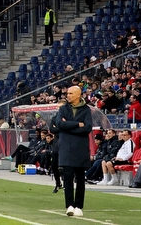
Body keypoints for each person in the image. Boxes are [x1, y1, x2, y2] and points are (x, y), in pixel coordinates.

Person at [52, 85, 93, 218]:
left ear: (78, 95)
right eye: (67, 93)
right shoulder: (63, 108)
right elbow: (60, 125)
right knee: (68, 176)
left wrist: (68, 126)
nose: (67, 95)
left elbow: (87, 128)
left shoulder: (86, 110)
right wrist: (77, 124)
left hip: (80, 147)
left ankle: (79, 206)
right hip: (66, 147)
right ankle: (69, 204)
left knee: (80, 178)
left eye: (70, 93)